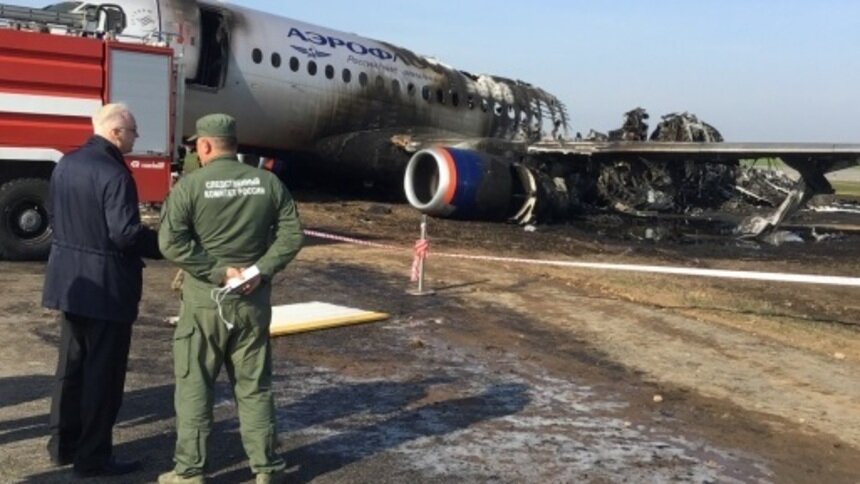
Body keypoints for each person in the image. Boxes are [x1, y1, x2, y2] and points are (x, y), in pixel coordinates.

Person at [157, 114, 304, 484]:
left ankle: (190, 472)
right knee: (254, 387)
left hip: (205, 304)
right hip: (252, 304)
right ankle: (267, 469)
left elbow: (170, 242)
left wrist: (218, 271)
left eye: (196, 147)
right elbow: (291, 236)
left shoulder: (190, 187)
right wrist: (259, 270)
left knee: (195, 387)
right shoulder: (268, 183)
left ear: (205, 146)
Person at [42, 102, 161, 477]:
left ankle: (63, 445)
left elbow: (55, 215)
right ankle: (93, 456)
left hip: (69, 283)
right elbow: (124, 234)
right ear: (115, 132)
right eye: (133, 132)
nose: (136, 137)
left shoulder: (66, 164)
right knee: (102, 375)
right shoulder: (116, 174)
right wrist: (162, 244)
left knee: (71, 367)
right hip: (107, 288)